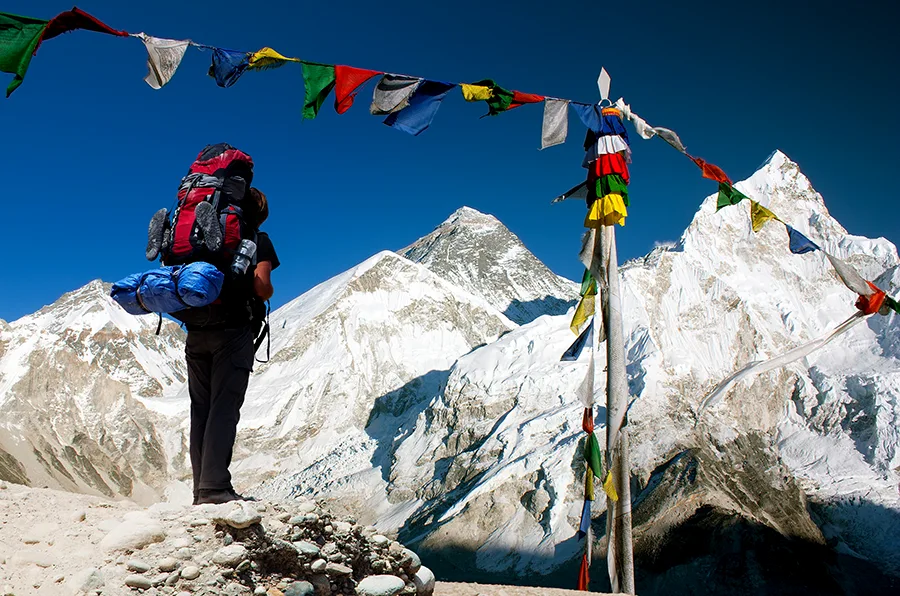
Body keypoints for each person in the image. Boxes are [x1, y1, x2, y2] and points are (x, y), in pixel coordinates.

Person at [187, 187, 279, 505]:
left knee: (200, 409)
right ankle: (214, 489)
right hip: (233, 332)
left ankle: (202, 489)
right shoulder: (258, 239)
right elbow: (262, 287)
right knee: (224, 409)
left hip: (196, 330)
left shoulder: (203, 240)